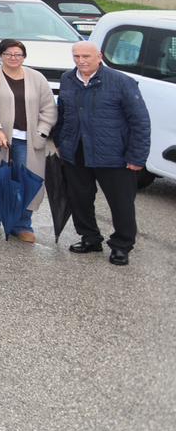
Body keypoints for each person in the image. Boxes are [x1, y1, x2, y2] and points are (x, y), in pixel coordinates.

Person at [55, 40, 150, 266]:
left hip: (113, 155)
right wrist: (60, 141)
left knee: (121, 204)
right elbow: (63, 113)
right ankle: (90, 238)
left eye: (86, 56)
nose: (81, 61)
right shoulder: (68, 79)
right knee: (80, 199)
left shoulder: (121, 82)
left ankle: (121, 246)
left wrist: (137, 157)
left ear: (99, 56)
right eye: (76, 56)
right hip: (76, 152)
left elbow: (140, 122)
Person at [0, 38, 58, 244]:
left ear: (24, 57)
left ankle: (21, 224)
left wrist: (42, 131)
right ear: (0, 56)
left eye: (18, 54)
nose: (13, 58)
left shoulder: (36, 78)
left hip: (29, 140)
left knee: (26, 180)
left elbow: (49, 107)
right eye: (8, 54)